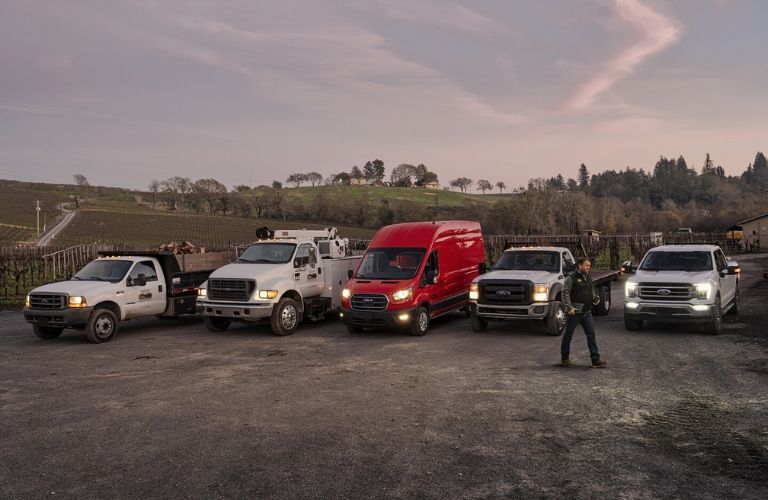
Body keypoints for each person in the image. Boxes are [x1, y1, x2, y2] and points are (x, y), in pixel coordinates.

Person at [560, 257, 608, 368]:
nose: (588, 268)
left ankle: (595, 360)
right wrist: (569, 307)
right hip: (574, 312)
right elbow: (565, 293)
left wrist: (595, 298)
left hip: (587, 312)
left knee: (591, 335)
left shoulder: (589, 278)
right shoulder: (571, 278)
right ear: (579, 265)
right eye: (586, 265)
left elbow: (592, 292)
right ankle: (565, 359)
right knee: (568, 336)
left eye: (589, 266)